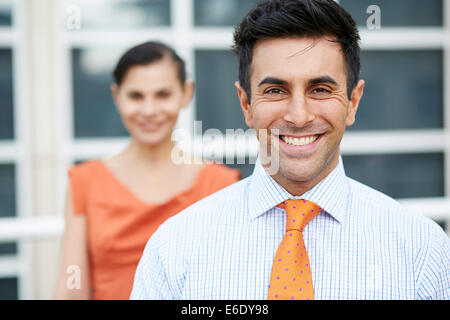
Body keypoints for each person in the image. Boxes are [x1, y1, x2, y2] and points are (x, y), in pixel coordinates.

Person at [130, 0, 450, 300]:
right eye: (275, 90)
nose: (299, 116)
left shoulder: (420, 251)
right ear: (246, 103)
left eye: (320, 89)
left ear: (353, 101)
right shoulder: (174, 249)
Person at [53, 41, 241, 300]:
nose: (149, 110)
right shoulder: (84, 182)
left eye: (163, 95)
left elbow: (228, 289)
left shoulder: (221, 184)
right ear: (116, 95)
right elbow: (72, 289)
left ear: (186, 93)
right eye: (136, 96)